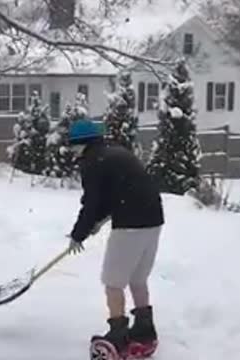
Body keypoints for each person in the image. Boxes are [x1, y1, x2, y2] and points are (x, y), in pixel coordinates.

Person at [65, 118, 165, 357]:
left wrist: (78, 234)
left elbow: (91, 202)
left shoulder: (93, 162)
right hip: (154, 219)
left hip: (130, 225)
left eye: (72, 145)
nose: (72, 151)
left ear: (80, 143)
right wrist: (97, 221)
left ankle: (118, 336)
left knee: (113, 282)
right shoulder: (116, 153)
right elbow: (115, 193)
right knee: (137, 278)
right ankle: (144, 329)